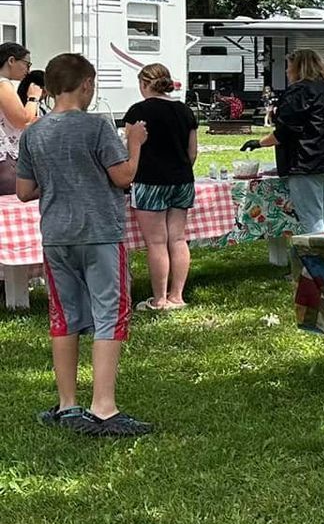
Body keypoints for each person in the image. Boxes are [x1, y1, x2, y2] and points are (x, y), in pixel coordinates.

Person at [14, 53, 151, 436]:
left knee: (64, 317)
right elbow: (123, 176)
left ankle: (67, 404)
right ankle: (104, 406)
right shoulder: (96, 127)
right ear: (87, 84)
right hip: (100, 232)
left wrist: (59, 178)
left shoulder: (34, 132)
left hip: (56, 235)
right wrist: (135, 142)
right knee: (110, 313)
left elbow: (25, 190)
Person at [259, 48, 324, 235]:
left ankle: (315, 260)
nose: (286, 71)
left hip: (309, 161)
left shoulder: (300, 91)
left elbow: (286, 130)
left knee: (312, 218)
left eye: (289, 66)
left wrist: (259, 143)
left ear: (298, 67)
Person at [125, 63, 199, 311]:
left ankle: (159, 299)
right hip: (182, 179)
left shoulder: (138, 111)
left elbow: (130, 148)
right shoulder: (184, 110)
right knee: (178, 239)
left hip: (150, 180)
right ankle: (177, 296)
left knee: (157, 242)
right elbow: (193, 152)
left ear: (144, 84)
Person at [0, 41, 41, 198]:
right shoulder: (3, 84)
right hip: (5, 158)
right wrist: (33, 98)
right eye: (26, 64)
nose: (28, 70)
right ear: (11, 61)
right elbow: (22, 120)